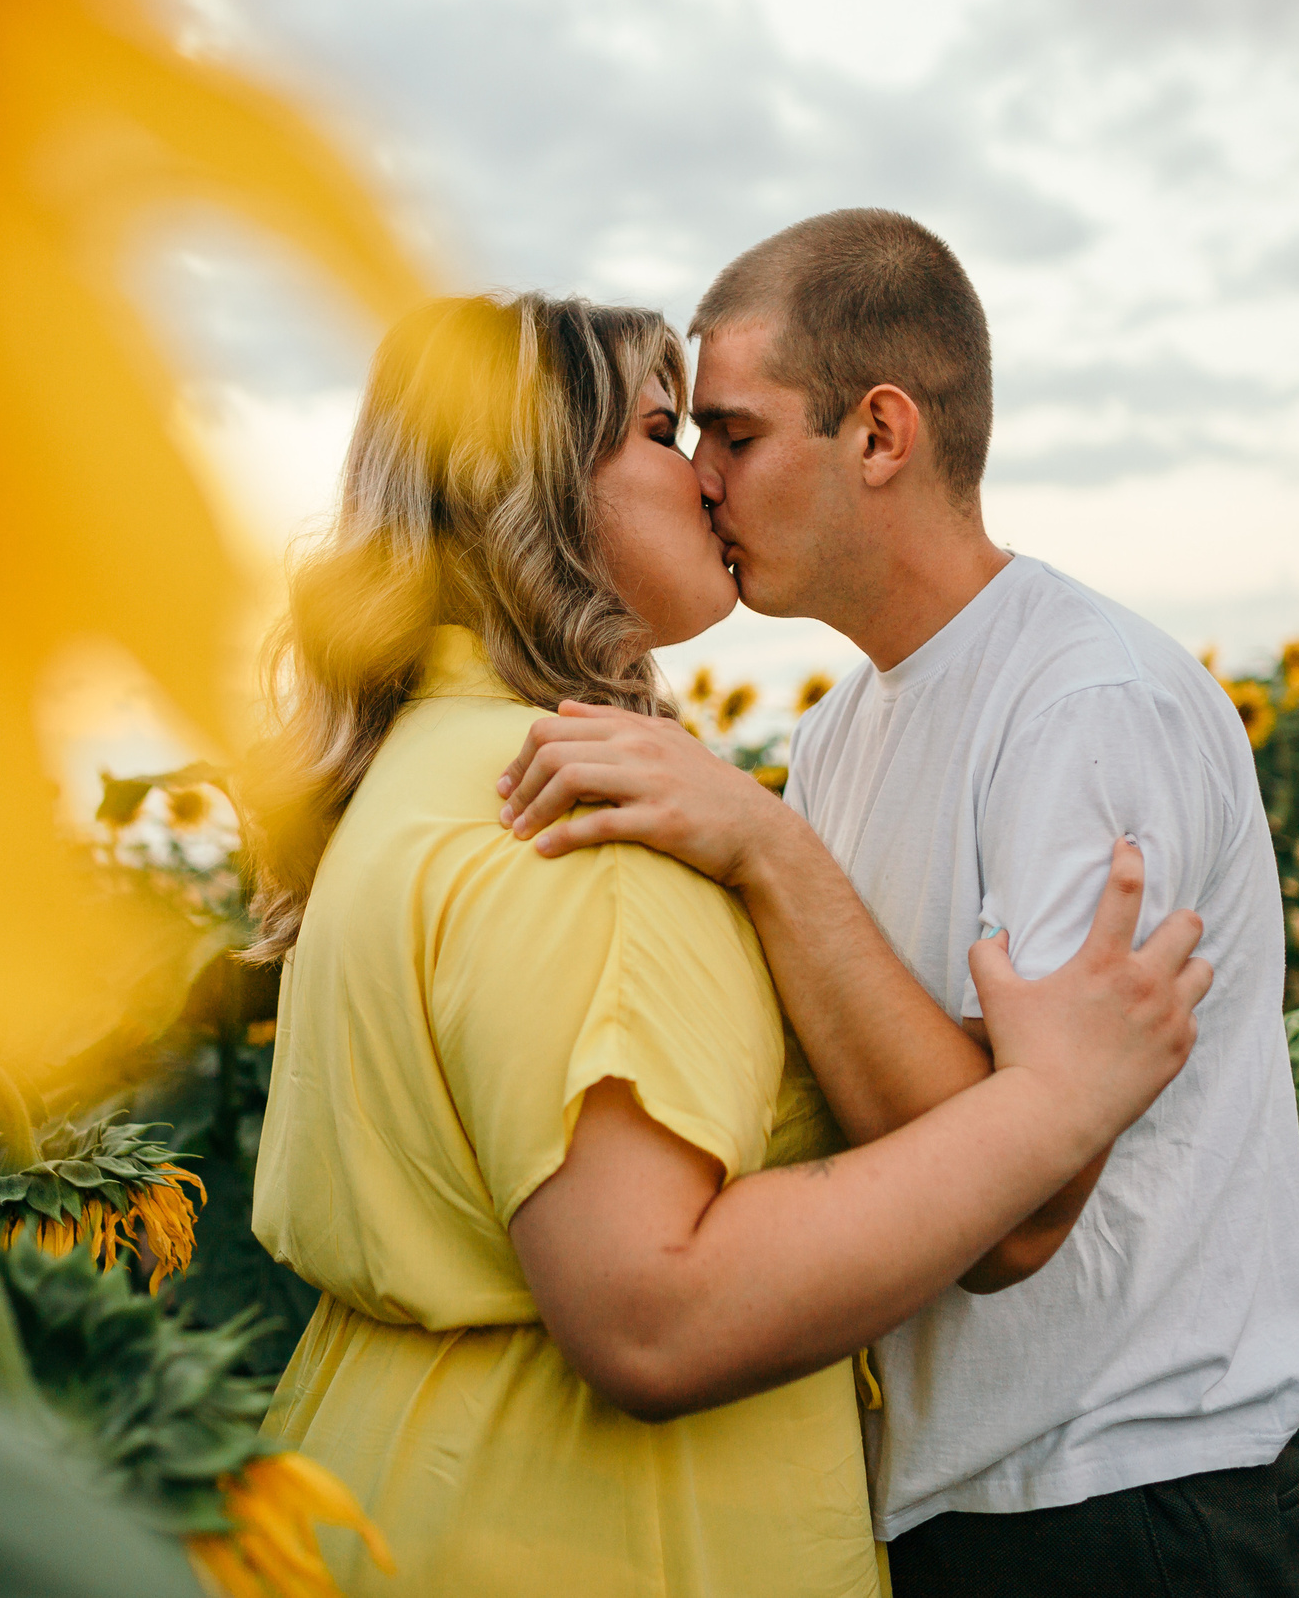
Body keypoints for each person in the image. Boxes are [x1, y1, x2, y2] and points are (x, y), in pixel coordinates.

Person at [243, 292, 1212, 1598]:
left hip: (382, 1491)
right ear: (532, 487)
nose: (708, 476)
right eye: (662, 430)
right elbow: (655, 1313)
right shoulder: (587, 821)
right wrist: (1061, 1100)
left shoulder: (420, 773)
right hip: (591, 1537)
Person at [495, 211, 1299, 1598]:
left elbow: (1021, 1209)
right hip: (963, 1486)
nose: (702, 479)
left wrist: (766, 848)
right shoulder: (838, 734)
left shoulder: (1085, 708)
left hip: (1121, 1493)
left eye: (736, 433)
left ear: (880, 435)